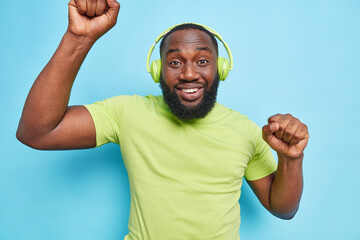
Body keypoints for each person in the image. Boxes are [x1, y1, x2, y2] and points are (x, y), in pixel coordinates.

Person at [16, 0, 309, 239]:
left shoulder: (245, 130)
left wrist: (291, 159)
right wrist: (79, 38)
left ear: (221, 68)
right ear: (158, 71)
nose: (189, 73)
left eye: (203, 61)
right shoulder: (126, 113)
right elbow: (37, 132)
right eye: (175, 62)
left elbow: (282, 208)